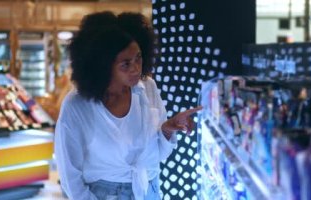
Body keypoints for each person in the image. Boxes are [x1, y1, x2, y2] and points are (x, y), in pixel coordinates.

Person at [54, 11, 202, 200]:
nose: (136, 68)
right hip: (103, 194)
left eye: (138, 58)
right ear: (103, 64)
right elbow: (69, 175)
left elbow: (157, 155)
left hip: (149, 189)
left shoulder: (147, 87)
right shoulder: (77, 105)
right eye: (125, 64)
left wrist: (167, 130)